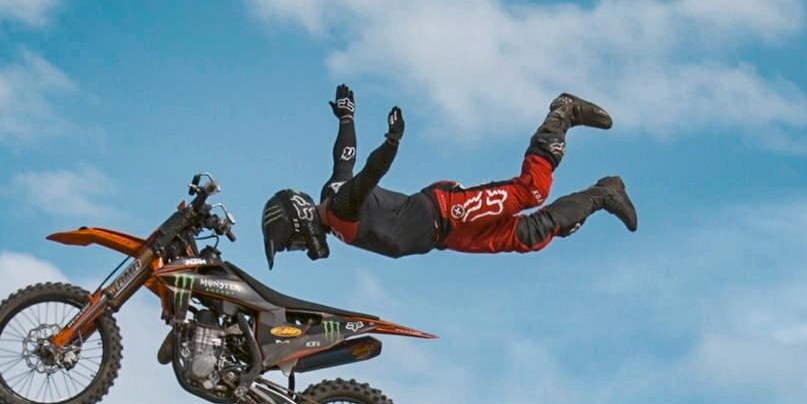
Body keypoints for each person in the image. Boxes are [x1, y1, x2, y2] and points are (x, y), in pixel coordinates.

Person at [261, 84, 636, 267]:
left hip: (448, 210)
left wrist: (391, 143)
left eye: (293, 241)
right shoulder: (332, 194)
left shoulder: (339, 207)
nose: (301, 247)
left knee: (533, 190)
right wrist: (346, 117)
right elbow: (345, 157)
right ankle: (604, 193)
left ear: (298, 218)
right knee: (530, 236)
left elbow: (369, 173)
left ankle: (563, 112)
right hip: (447, 236)